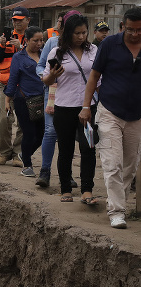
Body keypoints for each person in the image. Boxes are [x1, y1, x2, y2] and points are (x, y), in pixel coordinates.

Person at [79, 6, 141, 229]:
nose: (135, 34)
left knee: (129, 166)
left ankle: (119, 202)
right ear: (123, 26)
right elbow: (94, 75)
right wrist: (86, 106)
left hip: (136, 115)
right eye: (131, 30)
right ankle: (117, 211)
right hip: (109, 112)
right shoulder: (109, 45)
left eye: (139, 30)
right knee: (112, 163)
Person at [42, 13, 98, 203]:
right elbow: (47, 80)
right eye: (77, 33)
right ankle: (66, 189)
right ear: (68, 34)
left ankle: (87, 190)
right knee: (65, 149)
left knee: (88, 147)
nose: (81, 37)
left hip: (88, 107)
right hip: (64, 107)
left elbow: (99, 79)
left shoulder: (94, 51)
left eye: (84, 33)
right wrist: (52, 75)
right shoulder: (57, 53)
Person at [35, 10, 80, 187]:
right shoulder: (52, 44)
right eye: (60, 22)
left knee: (67, 135)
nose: (60, 26)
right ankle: (45, 171)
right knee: (50, 131)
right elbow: (40, 65)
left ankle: (66, 174)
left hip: (75, 95)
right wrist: (47, 76)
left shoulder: (86, 47)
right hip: (53, 91)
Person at [3, 26, 46, 177]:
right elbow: (13, 80)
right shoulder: (19, 57)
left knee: (41, 134)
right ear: (27, 41)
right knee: (29, 133)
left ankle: (24, 154)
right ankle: (27, 165)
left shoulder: (44, 55)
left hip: (42, 100)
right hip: (23, 100)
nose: (39, 43)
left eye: (41, 40)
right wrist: (7, 100)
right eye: (36, 40)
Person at [0, 6, 31, 166]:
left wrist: (21, 48)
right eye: (14, 21)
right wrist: (1, 46)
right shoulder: (6, 37)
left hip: (25, 86)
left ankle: (18, 154)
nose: (16, 24)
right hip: (6, 85)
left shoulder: (33, 37)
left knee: (24, 122)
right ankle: (4, 152)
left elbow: (36, 59)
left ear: (28, 20)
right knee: (4, 119)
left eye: (20, 20)